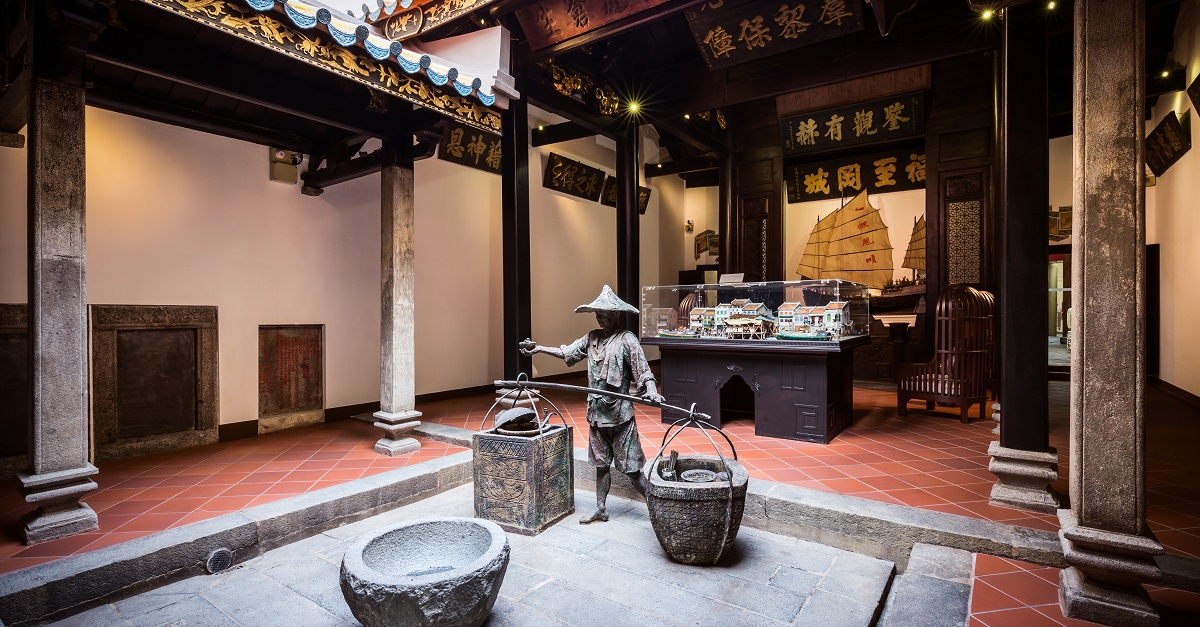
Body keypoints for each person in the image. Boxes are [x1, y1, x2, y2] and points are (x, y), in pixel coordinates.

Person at [520, 285, 664, 524]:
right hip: (596, 414)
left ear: (615, 314)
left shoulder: (627, 339)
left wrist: (651, 390)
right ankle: (600, 508)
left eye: (604, 312)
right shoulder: (591, 338)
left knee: (631, 470)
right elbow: (567, 352)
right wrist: (539, 349)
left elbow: (644, 371)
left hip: (620, 416)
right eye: (597, 312)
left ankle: (658, 506)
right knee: (601, 465)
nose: (599, 317)